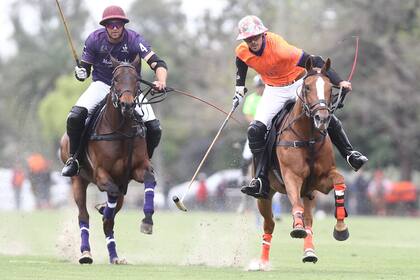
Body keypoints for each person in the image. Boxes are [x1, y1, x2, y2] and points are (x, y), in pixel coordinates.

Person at [233, 15, 368, 198]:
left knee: (324, 114)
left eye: (255, 37)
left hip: (297, 85)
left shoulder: (281, 49)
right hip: (273, 91)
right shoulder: (242, 50)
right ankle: (261, 179)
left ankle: (350, 154)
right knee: (255, 130)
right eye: (248, 39)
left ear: (263, 35)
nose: (252, 42)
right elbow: (241, 62)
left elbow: (317, 61)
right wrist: (239, 89)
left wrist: (339, 81)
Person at [62, 5, 168, 177]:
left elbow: (158, 63)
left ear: (123, 24)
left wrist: (161, 81)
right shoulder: (94, 39)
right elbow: (85, 69)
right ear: (105, 26)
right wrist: (81, 73)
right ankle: (74, 159)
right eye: (110, 25)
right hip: (102, 85)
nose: (115, 28)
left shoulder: (134, 39)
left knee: (154, 127)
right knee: (75, 117)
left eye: (118, 24)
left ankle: (144, 160)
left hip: (130, 88)